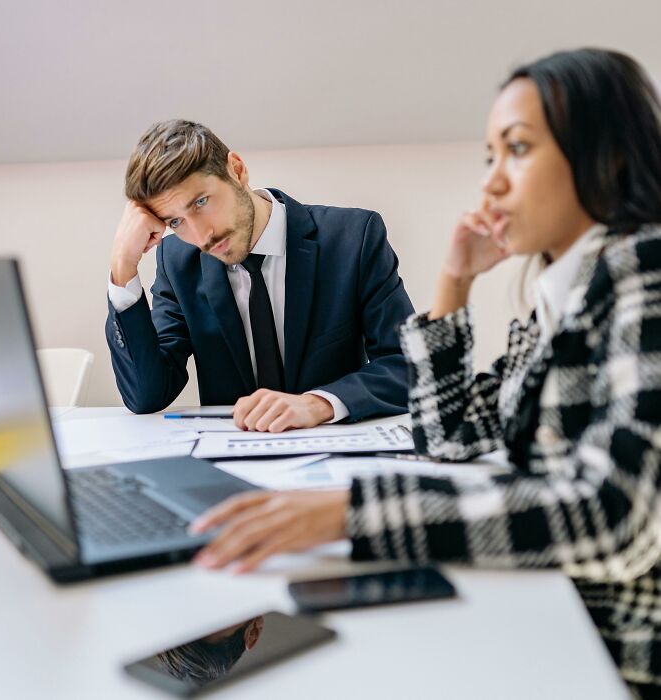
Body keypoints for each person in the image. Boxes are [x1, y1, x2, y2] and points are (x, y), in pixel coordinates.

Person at [190, 48, 661, 695]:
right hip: (544, 612)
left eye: (517, 150)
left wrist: (352, 513)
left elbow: (614, 517)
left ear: (605, 155)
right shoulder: (566, 296)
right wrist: (455, 281)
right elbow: (453, 433)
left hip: (613, 658)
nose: (492, 183)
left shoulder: (647, 277)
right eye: (490, 157)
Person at [106, 121, 414, 431]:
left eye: (201, 202)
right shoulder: (177, 262)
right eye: (175, 221)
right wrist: (123, 265)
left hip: (335, 451)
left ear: (237, 171)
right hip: (231, 463)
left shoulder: (352, 238)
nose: (202, 236)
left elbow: (408, 365)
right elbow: (147, 395)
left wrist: (317, 404)